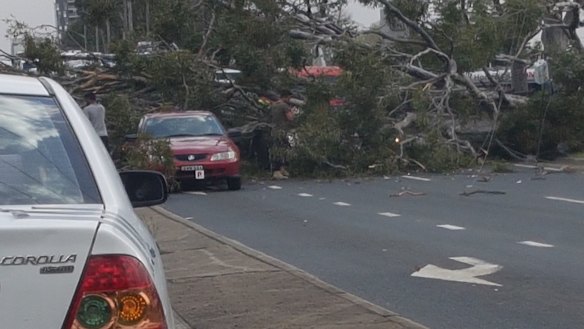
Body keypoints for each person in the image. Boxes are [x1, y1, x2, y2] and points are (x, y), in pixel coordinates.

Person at [269, 90, 295, 180]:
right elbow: (290, 118)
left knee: (279, 149)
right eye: (289, 98)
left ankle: (281, 169)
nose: (290, 99)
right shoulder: (284, 106)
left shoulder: (274, 105)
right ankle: (277, 171)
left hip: (274, 130)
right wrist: (293, 112)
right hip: (282, 131)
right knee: (281, 150)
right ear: (286, 97)